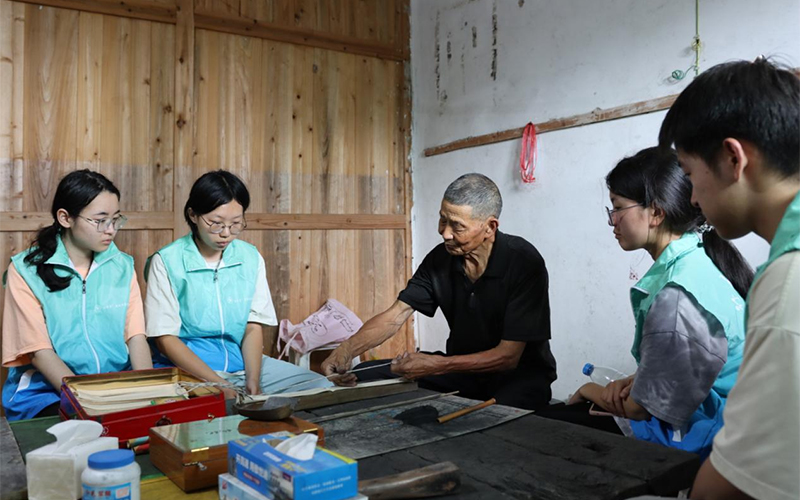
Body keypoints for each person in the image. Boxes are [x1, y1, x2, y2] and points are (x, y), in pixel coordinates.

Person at [546, 147, 753, 459]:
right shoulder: (697, 260)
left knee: (552, 428)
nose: (612, 221)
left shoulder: (678, 297)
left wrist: (590, 390)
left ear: (656, 212)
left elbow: (640, 410)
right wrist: (635, 381)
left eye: (617, 208)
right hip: (721, 416)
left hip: (711, 431)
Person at [659, 58, 799, 500]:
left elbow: (737, 482)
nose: (694, 197)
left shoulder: (789, 282)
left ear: (732, 158)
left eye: (688, 174)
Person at [321, 173, 557, 410]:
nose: (445, 233)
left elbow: (508, 357)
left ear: (490, 227)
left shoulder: (523, 262)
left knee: (499, 416)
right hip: (461, 371)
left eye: (457, 226)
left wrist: (436, 364)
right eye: (443, 220)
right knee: (363, 373)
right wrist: (346, 349)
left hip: (518, 377)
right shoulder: (440, 259)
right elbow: (396, 315)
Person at [144, 170, 332, 397]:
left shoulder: (250, 257)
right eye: (215, 223)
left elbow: (252, 326)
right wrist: (220, 385)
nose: (226, 233)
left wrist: (253, 380)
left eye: (235, 224)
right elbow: (165, 339)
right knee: (212, 408)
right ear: (193, 215)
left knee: (320, 387)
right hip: (188, 368)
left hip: (241, 363)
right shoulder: (166, 260)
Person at [1, 170, 152, 421]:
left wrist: (149, 392)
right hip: (46, 392)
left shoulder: (122, 266)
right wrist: (90, 402)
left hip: (115, 384)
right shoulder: (25, 270)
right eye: (100, 220)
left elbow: (135, 337)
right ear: (65, 218)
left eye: (115, 219)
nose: (111, 230)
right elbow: (38, 351)